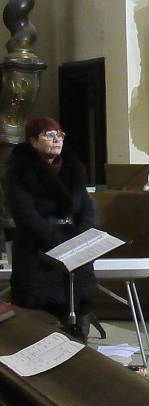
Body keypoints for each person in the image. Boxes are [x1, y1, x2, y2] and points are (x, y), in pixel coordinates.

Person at [7, 116, 98, 342]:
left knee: (78, 303)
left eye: (60, 134)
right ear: (33, 141)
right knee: (42, 320)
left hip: (75, 248)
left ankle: (79, 346)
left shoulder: (73, 168)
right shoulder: (18, 170)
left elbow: (86, 206)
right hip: (39, 250)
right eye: (49, 135)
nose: (57, 139)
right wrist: (58, 243)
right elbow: (25, 214)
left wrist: (84, 236)